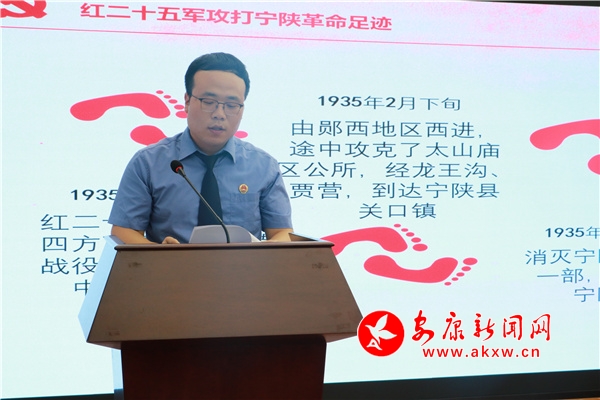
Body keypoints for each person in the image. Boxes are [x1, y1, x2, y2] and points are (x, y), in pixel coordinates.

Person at [108, 52, 293, 244]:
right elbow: (123, 231)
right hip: (169, 264)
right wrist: (160, 254)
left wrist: (264, 252)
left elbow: (283, 232)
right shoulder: (148, 163)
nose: (219, 114)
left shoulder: (263, 166)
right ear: (187, 101)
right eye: (209, 102)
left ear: (242, 109)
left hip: (244, 264)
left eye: (231, 105)